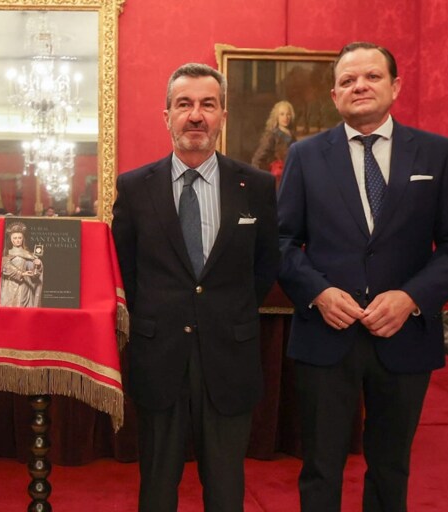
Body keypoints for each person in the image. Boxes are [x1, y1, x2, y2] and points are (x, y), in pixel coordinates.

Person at [276, 42, 448, 512]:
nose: (360, 86)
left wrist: (411, 297)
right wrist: (320, 293)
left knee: (391, 467)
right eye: (347, 81)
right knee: (320, 467)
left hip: (405, 335)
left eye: (371, 76)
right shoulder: (305, 156)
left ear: (395, 86)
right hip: (326, 335)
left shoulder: (437, 154)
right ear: (334, 94)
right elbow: (280, 242)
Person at [111, 62, 280, 512]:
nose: (196, 115)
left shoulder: (257, 186)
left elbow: (265, 266)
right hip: (159, 355)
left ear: (223, 114)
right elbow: (124, 269)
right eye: (184, 104)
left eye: (208, 104)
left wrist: (227, 313)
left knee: (226, 490)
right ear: (165, 115)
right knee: (157, 488)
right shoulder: (133, 188)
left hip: (230, 354)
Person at [250, 100, 297, 185]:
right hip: (277, 181)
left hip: (290, 179)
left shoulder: (292, 136)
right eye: (282, 114)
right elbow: (257, 160)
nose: (285, 117)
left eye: (288, 114)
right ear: (277, 117)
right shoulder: (272, 136)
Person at [0, 222, 43, 308]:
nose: (17, 240)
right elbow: (5, 267)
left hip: (24, 286)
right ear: (11, 239)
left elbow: (33, 271)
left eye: (19, 238)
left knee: (22, 309)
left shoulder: (28, 253)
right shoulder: (7, 253)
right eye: (15, 238)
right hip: (9, 286)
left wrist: (37, 265)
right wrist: (21, 273)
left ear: (23, 239)